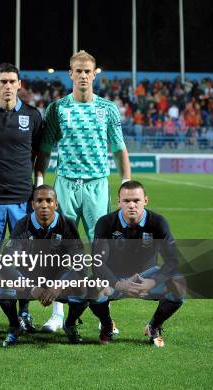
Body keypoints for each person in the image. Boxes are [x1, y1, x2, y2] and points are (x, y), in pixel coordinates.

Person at [38, 50, 131, 333]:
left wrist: (125, 183)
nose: (82, 75)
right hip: (65, 183)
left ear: (94, 74)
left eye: (86, 71)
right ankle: (57, 313)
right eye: (77, 71)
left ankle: (106, 315)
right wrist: (41, 180)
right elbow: (44, 149)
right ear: (70, 74)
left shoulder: (107, 109)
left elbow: (119, 149)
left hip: (96, 185)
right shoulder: (57, 108)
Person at [0, 62, 46, 335]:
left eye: (12, 81)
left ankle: (24, 313)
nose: (7, 86)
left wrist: (37, 184)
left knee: (24, 260)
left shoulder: (32, 116)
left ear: (19, 84)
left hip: (22, 201)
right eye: (2, 82)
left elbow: (39, 154)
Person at [77, 181, 184, 347]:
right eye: (126, 201)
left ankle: (154, 327)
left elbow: (172, 261)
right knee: (92, 287)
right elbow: (98, 263)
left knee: (179, 285)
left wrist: (153, 281)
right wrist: (118, 284)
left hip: (146, 277)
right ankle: (107, 326)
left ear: (145, 201)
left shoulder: (158, 222)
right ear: (118, 202)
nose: (132, 205)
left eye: (136, 200)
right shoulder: (105, 223)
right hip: (115, 277)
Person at [0, 185, 84, 347]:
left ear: (56, 204)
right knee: (2, 286)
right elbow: (6, 264)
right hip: (29, 278)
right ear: (33, 204)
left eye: (49, 201)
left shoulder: (67, 225)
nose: (44, 205)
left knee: (85, 289)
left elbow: (81, 265)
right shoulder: (23, 225)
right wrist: (31, 287)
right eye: (39, 201)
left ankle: (69, 325)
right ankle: (14, 327)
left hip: (58, 279)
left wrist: (59, 286)